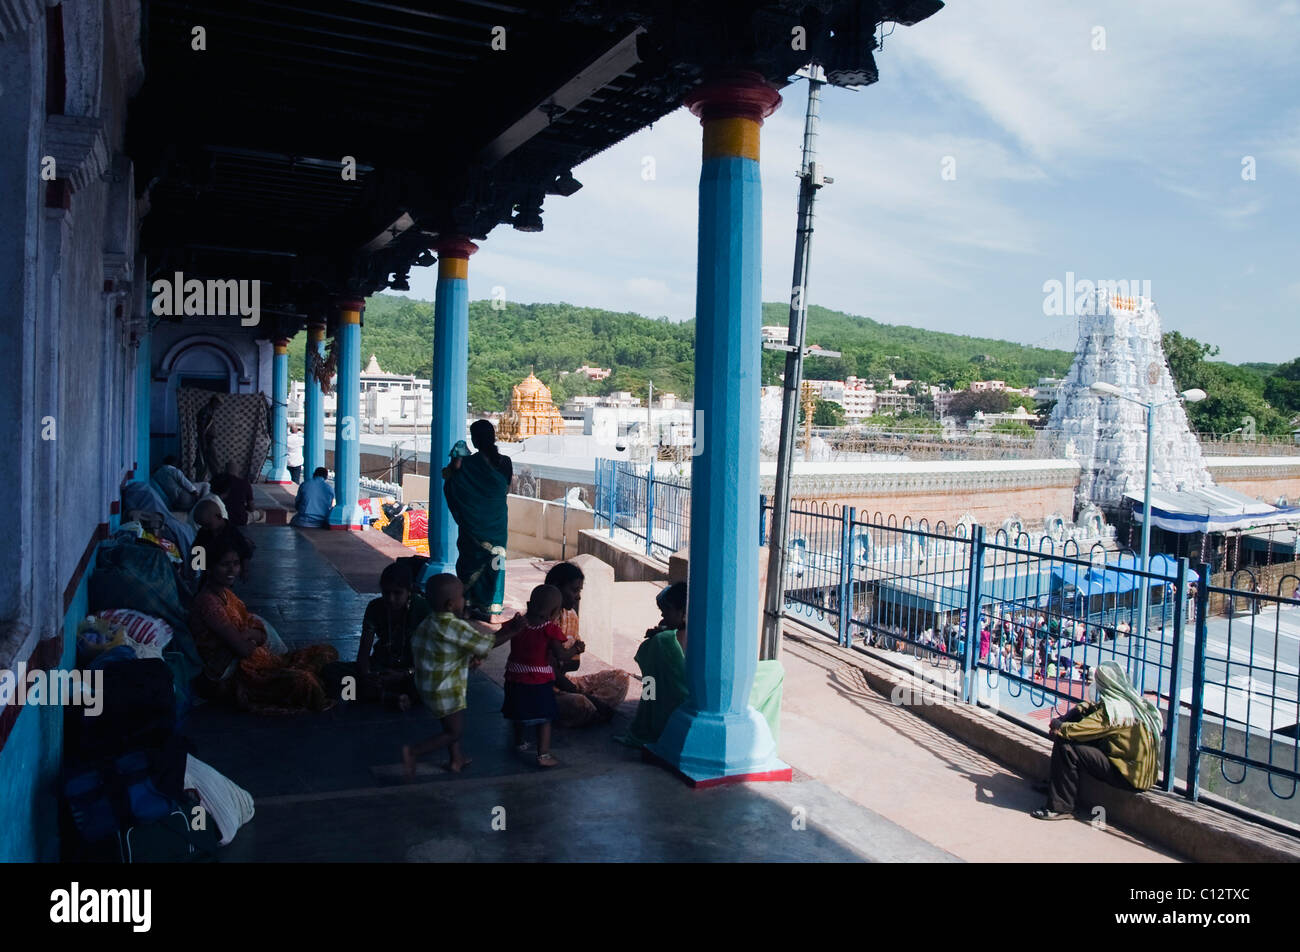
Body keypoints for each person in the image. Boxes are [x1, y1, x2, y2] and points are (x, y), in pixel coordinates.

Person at [189, 535, 337, 714]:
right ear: (209, 568)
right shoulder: (208, 604)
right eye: (224, 564)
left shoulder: (226, 594)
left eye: (235, 563)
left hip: (257, 660)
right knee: (304, 680)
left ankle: (322, 682)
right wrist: (250, 637)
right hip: (237, 676)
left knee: (326, 652)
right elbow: (243, 649)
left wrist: (251, 636)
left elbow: (253, 632)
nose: (232, 570)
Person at [402, 574, 519, 777]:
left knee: (449, 723)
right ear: (450, 604)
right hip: (445, 689)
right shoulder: (454, 625)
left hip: (427, 686)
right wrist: (513, 631)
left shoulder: (428, 623)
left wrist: (466, 659)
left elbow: (444, 651)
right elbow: (486, 643)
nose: (464, 601)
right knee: (454, 731)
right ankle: (413, 752)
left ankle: (456, 759)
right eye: (462, 597)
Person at [1032, 661, 1161, 820]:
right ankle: (1056, 786)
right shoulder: (1134, 703)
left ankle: (1061, 806)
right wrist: (1077, 711)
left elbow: (1078, 730)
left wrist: (1059, 725)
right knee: (1071, 735)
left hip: (1127, 775)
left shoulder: (1114, 711)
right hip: (1139, 772)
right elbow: (1093, 709)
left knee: (1067, 745)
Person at [544, 561, 630, 727]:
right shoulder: (539, 621)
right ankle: (590, 709)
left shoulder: (571, 617)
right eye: (574, 590)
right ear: (556, 587)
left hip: (565, 682)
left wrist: (562, 661)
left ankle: (591, 709)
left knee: (621, 678)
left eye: (579, 590)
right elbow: (548, 671)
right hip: (542, 689)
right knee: (579, 704)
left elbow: (574, 664)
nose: (578, 596)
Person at [442, 420, 511, 620]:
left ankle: (468, 604)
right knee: (496, 562)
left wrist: (456, 467)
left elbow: (450, 483)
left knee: (469, 563)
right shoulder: (505, 462)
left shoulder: (468, 464)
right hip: (496, 523)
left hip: (473, 524)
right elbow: (505, 490)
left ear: (474, 439)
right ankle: (492, 608)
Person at [501, 584, 567, 767]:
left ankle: (519, 742)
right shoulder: (549, 629)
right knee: (545, 718)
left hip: (513, 676)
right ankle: (543, 754)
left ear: (529, 604)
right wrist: (576, 649)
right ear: (555, 612)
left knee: (518, 713)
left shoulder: (517, 624)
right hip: (538, 680)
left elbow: (501, 634)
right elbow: (561, 654)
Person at [618, 582, 689, 749]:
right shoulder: (703, 635)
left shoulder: (663, 641)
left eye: (668, 609)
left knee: (649, 687)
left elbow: (649, 678)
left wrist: (655, 638)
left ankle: (646, 713)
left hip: (666, 707)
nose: (663, 614)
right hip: (690, 704)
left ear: (683, 613)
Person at [355, 563, 431, 709]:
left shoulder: (422, 608)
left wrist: (404, 673)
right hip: (382, 667)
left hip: (413, 669)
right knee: (335, 673)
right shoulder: (374, 607)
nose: (390, 599)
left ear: (409, 591)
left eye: (397, 593)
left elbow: (433, 656)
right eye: (386, 593)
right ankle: (394, 698)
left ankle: (388, 696)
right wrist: (367, 675)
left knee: (435, 680)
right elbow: (364, 650)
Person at [192, 497, 254, 568]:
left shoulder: (231, 532)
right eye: (202, 525)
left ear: (219, 516)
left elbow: (245, 551)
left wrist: (244, 567)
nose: (205, 528)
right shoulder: (204, 532)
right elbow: (196, 550)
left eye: (207, 525)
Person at [211, 461, 256, 527]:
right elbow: (251, 508)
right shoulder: (244, 483)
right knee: (261, 513)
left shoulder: (217, 482)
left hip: (219, 519)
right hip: (239, 519)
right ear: (238, 471)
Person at [195, 395, 222, 481]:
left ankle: (201, 480)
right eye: (218, 404)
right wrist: (204, 443)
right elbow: (202, 429)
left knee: (206, 462)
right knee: (212, 462)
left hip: (207, 440)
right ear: (214, 402)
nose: (218, 406)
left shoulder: (210, 411)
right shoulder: (206, 411)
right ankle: (217, 480)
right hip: (206, 440)